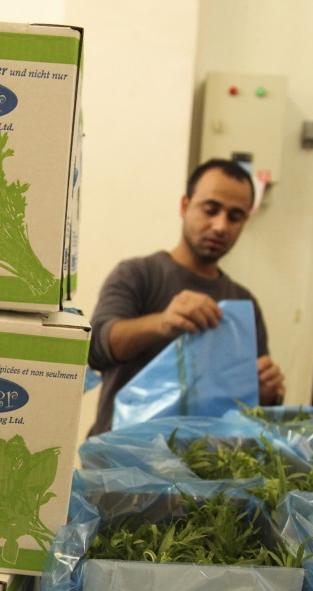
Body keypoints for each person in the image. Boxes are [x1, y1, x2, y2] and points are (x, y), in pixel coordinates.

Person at [86, 158, 286, 436]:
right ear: (184, 205)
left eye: (235, 216)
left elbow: (247, 410)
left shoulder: (244, 303)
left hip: (201, 469)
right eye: (211, 209)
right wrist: (162, 323)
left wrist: (265, 393)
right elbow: (95, 348)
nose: (220, 226)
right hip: (118, 467)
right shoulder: (137, 274)